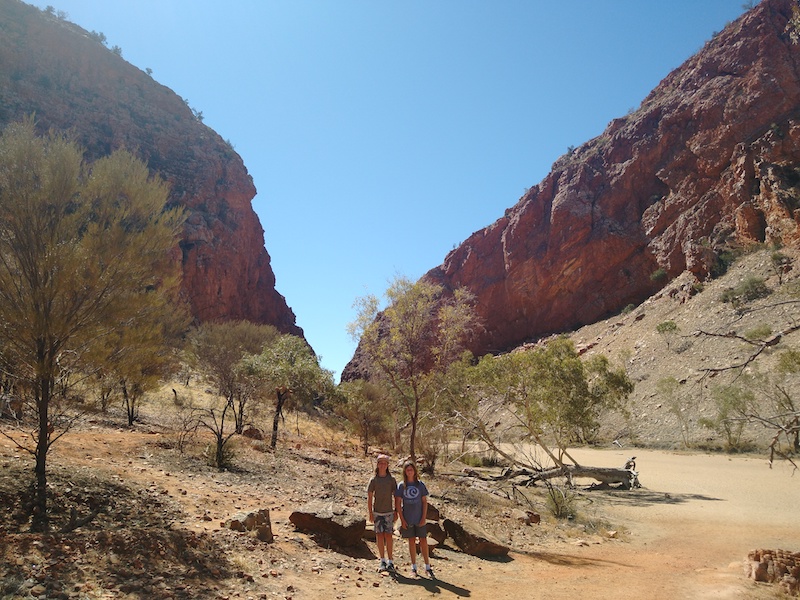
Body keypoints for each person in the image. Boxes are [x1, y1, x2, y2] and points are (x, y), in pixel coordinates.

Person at [395, 460, 433, 577]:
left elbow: (424, 502)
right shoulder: (401, 485)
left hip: (419, 518)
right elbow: (398, 504)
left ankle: (427, 567)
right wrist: (402, 519)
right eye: (407, 470)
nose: (409, 472)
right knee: (411, 541)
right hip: (408, 518)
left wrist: (423, 518)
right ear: (405, 472)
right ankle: (414, 567)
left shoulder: (420, 485)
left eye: (411, 470)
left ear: (415, 471)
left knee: (423, 540)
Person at [366, 454, 397, 572]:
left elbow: (396, 497)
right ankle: (382, 560)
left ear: (387, 465)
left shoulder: (391, 480)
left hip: (389, 512)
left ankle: (391, 561)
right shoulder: (373, 480)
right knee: (379, 536)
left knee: (388, 536)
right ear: (377, 464)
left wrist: (396, 511)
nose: (382, 465)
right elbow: (369, 497)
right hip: (377, 513)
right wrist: (370, 512)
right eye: (380, 463)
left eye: (385, 463)